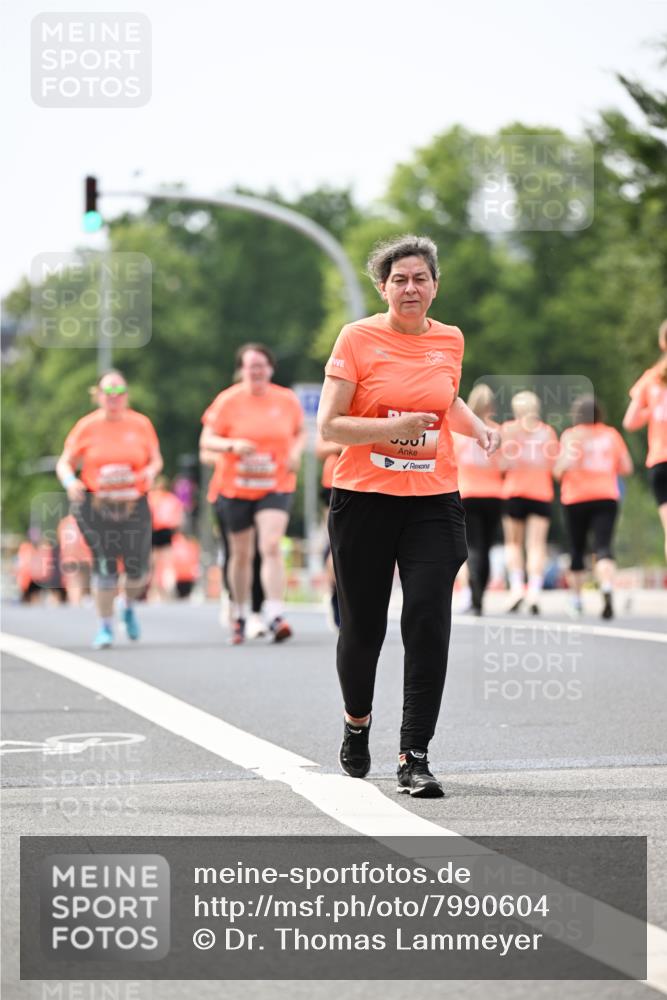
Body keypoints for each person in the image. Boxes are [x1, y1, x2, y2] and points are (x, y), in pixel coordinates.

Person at [317, 234, 500, 799]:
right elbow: (329, 426)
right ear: (383, 287)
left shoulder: (450, 339)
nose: (411, 287)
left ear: (435, 285)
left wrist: (480, 429)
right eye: (399, 279)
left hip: (433, 499)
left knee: (426, 618)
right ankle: (356, 722)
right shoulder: (357, 338)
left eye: (420, 278)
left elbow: (447, 402)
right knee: (364, 628)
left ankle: (414, 755)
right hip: (364, 498)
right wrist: (389, 429)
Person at [200, 343, 306, 645]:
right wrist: (231, 446)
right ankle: (241, 612)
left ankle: (274, 613)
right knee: (241, 553)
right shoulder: (228, 401)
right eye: (250, 366)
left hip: (275, 484)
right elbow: (207, 439)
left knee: (271, 545)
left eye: (262, 366)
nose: (257, 371)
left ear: (271, 369)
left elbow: (299, 432)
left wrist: (296, 453)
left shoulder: (286, 400)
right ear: (241, 370)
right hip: (235, 486)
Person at [56, 370, 163, 648]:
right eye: (108, 393)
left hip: (133, 502)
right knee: (105, 564)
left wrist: (151, 472)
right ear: (98, 396)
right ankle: (105, 626)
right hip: (96, 503)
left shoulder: (141, 425)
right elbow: (65, 462)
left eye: (119, 393)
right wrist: (70, 481)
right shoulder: (86, 427)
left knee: (137, 569)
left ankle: (127, 605)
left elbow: (155, 460)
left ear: (126, 395)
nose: (114, 398)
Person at [555, 396, 633, 618]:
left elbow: (559, 471)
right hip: (606, 496)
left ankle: (577, 600)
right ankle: (607, 587)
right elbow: (626, 467)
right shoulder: (611, 435)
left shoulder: (571, 435)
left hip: (575, 498)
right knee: (603, 548)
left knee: (577, 549)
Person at [500, 390, 559, 615]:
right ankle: (534, 590)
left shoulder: (508, 430)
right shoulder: (547, 432)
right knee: (536, 545)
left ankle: (516, 588)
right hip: (541, 492)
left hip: (514, 491)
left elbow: (501, 463)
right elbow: (554, 466)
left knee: (513, 544)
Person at [452, 383, 504, 615]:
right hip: (494, 494)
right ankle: (480, 594)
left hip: (468, 493)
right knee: (486, 546)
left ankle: (474, 595)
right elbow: (504, 465)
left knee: (472, 546)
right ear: (491, 406)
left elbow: (450, 462)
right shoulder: (496, 431)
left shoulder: (460, 434)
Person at [623, 319, 667, 562]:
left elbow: (629, 422)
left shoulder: (651, 379)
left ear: (662, 343)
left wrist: (652, 411)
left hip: (660, 460)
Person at [315, 435, 343, 630]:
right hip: (335, 481)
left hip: (372, 480)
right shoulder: (337, 406)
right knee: (338, 543)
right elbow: (320, 449)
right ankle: (336, 595)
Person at [147, 476, 185, 601]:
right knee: (167, 563)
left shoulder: (150, 498)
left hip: (154, 530)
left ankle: (155, 592)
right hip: (166, 531)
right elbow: (178, 519)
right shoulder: (171, 499)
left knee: (154, 564)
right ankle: (167, 589)